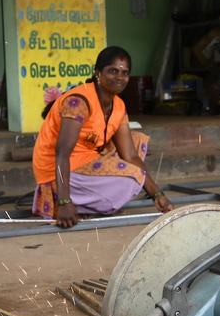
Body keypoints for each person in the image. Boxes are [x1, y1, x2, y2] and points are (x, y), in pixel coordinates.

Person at [32, 47, 173, 228]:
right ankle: (67, 200)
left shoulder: (118, 106)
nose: (119, 77)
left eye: (124, 73)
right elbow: (62, 153)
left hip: (86, 160)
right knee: (133, 177)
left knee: (137, 143)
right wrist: (64, 202)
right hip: (56, 170)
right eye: (113, 71)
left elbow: (130, 155)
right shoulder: (78, 102)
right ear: (98, 73)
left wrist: (157, 195)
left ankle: (87, 200)